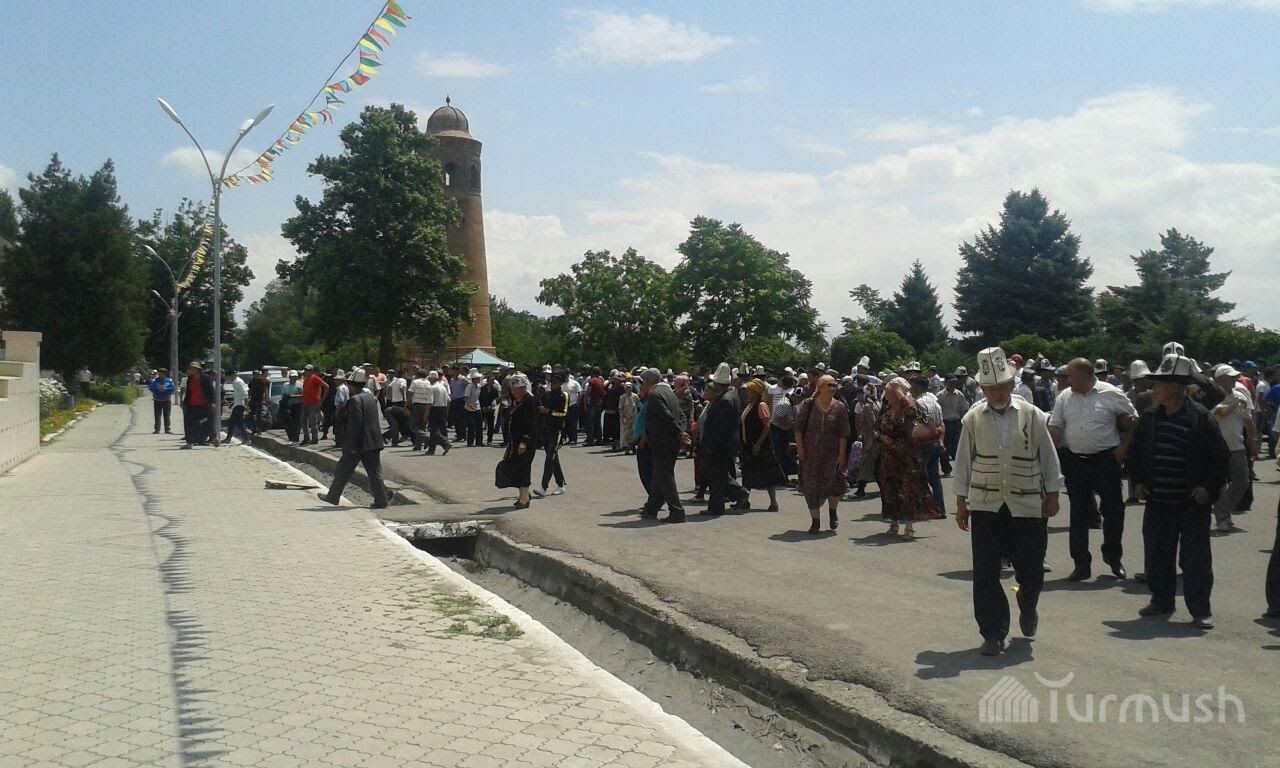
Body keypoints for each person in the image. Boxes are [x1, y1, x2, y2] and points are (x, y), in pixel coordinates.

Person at [954, 347, 1062, 656]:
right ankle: (993, 632)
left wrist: (1053, 494)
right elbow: (963, 462)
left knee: (1031, 568)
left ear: (1012, 384)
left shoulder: (1033, 415)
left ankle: (1027, 602)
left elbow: (1048, 457)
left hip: (1027, 504)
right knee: (985, 571)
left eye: (1002, 386)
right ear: (982, 388)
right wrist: (961, 502)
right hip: (986, 504)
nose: (997, 393)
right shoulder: (973, 418)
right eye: (991, 388)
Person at [1130, 353, 1229, 630]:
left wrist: (1207, 487)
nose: (1154, 389)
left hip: (1191, 503)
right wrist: (1137, 482)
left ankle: (1200, 609)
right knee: (1158, 554)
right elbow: (1136, 453)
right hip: (1158, 500)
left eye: (1160, 384)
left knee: (1195, 559)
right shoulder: (1150, 417)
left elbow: (1219, 460)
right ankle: (1161, 600)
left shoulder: (1201, 418)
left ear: (1175, 387)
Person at [1049, 358, 1138, 582]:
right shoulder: (1064, 397)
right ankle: (1081, 564)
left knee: (1114, 511)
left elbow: (1134, 420)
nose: (1066, 380)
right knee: (1079, 514)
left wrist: (1123, 448)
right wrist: (1045, 457)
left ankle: (1113, 557)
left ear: (1085, 375)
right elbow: (1056, 428)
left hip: (1105, 460)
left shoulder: (1111, 393)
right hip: (1074, 461)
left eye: (1070, 376)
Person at [875, 377, 943, 539]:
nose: (886, 394)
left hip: (907, 456)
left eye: (890, 391)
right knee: (890, 489)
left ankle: (909, 526)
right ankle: (894, 523)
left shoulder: (910, 406)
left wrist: (900, 393)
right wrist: (880, 437)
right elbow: (875, 428)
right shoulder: (886, 408)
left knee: (908, 490)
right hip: (889, 456)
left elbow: (914, 413)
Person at [316, 369, 388, 509]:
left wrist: (352, 445)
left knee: (343, 470)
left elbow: (356, 424)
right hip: (373, 442)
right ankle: (381, 500)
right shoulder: (371, 398)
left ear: (352, 385)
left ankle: (333, 497)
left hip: (359, 443)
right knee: (375, 473)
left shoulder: (355, 400)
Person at [794, 374, 850, 534]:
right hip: (810, 455)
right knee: (811, 487)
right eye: (829, 385)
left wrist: (841, 455)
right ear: (820, 387)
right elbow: (798, 428)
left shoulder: (839, 407)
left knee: (834, 485)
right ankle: (815, 522)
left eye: (834, 385)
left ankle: (833, 513)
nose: (832, 388)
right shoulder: (809, 404)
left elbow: (843, 433)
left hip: (831, 455)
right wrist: (800, 448)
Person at [1210, 364, 1258, 533]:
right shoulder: (1213, 396)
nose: (1234, 379)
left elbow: (1248, 421)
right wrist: (1235, 403)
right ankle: (1223, 518)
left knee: (1242, 480)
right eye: (1230, 377)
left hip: (1237, 446)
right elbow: (1221, 412)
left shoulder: (1239, 395)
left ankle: (1223, 510)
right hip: (1217, 447)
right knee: (1220, 484)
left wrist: (1253, 441)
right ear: (1220, 380)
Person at [698, 363, 749, 516]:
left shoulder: (725, 400)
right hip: (725, 445)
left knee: (716, 476)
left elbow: (719, 429)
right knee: (718, 475)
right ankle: (731, 498)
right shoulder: (731, 395)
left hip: (720, 446)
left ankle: (721, 503)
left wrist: (710, 446)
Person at [639, 368, 689, 523]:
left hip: (662, 441)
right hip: (670, 440)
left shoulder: (655, 395)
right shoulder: (669, 392)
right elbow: (681, 415)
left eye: (642, 383)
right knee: (659, 474)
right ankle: (651, 508)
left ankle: (677, 511)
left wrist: (679, 432)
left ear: (647, 381)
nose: (641, 386)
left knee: (665, 475)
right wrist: (681, 430)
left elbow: (665, 416)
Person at [741, 378, 787, 512]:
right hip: (749, 445)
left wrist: (758, 444)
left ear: (756, 392)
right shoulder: (749, 405)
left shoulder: (761, 405)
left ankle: (774, 502)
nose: (747, 392)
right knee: (748, 473)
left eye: (749, 390)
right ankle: (744, 500)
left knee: (768, 474)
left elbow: (767, 426)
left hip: (761, 446)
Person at [499, 373, 537, 508]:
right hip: (515, 441)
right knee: (516, 467)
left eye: (515, 389)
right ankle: (523, 495)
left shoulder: (529, 401)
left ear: (522, 389)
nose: (513, 392)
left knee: (523, 468)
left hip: (525, 442)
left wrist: (524, 442)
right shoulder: (518, 402)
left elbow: (532, 423)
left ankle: (524, 499)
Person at [911, 377, 947, 516]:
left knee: (918, 476)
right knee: (935, 478)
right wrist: (941, 441)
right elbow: (942, 424)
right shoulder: (935, 403)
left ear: (917, 387)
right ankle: (940, 508)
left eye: (912, 386)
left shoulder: (919, 404)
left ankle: (924, 508)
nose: (910, 390)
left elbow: (919, 426)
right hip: (934, 443)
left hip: (923, 444)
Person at [535, 373, 569, 497]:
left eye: (555, 381)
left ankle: (543, 487)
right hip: (545, 428)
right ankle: (560, 484)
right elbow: (539, 407)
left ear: (561, 383)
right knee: (553, 458)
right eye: (551, 381)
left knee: (549, 458)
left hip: (556, 430)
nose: (552, 383)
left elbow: (563, 413)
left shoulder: (563, 395)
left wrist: (548, 411)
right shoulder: (546, 395)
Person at [852, 379, 882, 497]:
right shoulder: (877, 403)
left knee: (867, 465)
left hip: (870, 440)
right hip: (874, 440)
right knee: (874, 466)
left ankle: (861, 491)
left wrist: (869, 442)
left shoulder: (867, 407)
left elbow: (873, 426)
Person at [180, 361, 218, 449]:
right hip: (191, 405)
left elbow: (211, 391)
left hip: (204, 405)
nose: (191, 370)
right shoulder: (190, 378)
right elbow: (188, 392)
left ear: (197, 369)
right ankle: (189, 443)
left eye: (193, 368)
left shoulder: (206, 378)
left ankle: (214, 437)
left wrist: (212, 402)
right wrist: (184, 403)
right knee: (189, 423)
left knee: (206, 422)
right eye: (190, 368)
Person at [938, 374, 970, 477]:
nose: (953, 384)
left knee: (958, 447)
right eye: (951, 382)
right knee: (944, 448)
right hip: (944, 423)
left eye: (954, 382)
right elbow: (937, 411)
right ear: (945, 383)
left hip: (956, 423)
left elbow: (964, 409)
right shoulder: (940, 396)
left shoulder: (959, 394)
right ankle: (946, 469)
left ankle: (961, 470)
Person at [299, 365, 328, 447]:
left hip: (314, 402)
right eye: (305, 370)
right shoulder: (306, 379)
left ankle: (315, 438)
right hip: (305, 402)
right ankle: (306, 438)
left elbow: (326, 386)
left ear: (312, 371)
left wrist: (322, 399)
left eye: (308, 370)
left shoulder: (315, 377)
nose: (306, 371)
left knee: (313, 421)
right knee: (303, 421)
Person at [425, 370, 453, 455]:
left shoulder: (432, 388)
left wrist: (426, 413)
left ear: (431, 379)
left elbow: (430, 402)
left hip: (435, 409)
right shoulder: (442, 387)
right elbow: (448, 400)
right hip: (443, 408)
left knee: (434, 430)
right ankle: (431, 449)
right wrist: (446, 411)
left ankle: (445, 443)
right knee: (437, 429)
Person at [224, 370, 250, 444]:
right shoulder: (236, 382)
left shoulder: (238, 382)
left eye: (228, 377)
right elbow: (237, 394)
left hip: (240, 405)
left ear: (232, 375)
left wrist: (247, 405)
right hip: (237, 404)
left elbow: (245, 393)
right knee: (235, 422)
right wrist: (232, 403)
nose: (228, 379)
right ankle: (229, 439)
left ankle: (247, 439)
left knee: (235, 422)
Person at [149, 368, 175, 434]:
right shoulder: (155, 380)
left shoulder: (169, 380)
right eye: (160, 373)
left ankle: (167, 429)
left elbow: (173, 388)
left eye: (163, 373)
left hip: (167, 400)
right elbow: (151, 388)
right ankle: (157, 429)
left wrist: (166, 389)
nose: (161, 374)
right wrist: (158, 389)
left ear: (165, 374)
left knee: (167, 415)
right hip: (157, 400)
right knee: (157, 415)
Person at [463, 369, 485, 447]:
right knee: (471, 426)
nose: (479, 379)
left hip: (477, 407)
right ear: (474, 379)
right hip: (469, 408)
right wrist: (470, 405)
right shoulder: (469, 387)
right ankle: (470, 442)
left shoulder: (479, 386)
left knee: (479, 425)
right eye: (478, 378)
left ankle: (479, 441)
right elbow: (466, 398)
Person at [619, 382, 640, 455]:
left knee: (633, 433)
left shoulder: (635, 396)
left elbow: (638, 406)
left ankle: (633, 447)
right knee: (626, 434)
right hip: (625, 418)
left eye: (630, 387)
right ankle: (627, 448)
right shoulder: (622, 397)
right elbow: (620, 408)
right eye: (627, 388)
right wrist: (622, 418)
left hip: (634, 417)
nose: (628, 389)